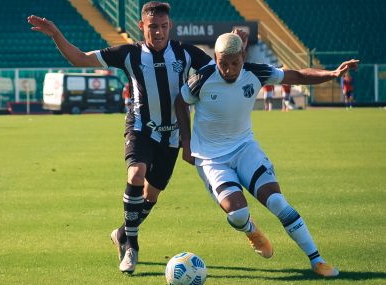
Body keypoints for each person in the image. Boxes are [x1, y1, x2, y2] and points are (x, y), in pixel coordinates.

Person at [28, 1, 247, 274]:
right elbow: (80, 59)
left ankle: (122, 233)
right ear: (142, 26)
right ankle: (131, 246)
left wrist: (237, 48)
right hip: (141, 128)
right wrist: (56, 34)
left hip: (172, 136)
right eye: (153, 26)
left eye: (164, 26)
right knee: (135, 175)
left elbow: (223, 71)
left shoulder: (186, 53)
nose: (159, 32)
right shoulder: (128, 53)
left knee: (150, 196)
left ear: (170, 26)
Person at [175, 33, 359, 277]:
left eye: (234, 63)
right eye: (223, 64)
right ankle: (250, 229)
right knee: (238, 214)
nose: (229, 70)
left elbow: (299, 75)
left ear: (243, 56)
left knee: (276, 201)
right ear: (215, 59)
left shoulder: (257, 72)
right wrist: (185, 143)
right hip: (212, 158)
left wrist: (333, 74)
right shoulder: (201, 79)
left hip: (244, 148)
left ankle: (317, 260)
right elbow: (180, 101)